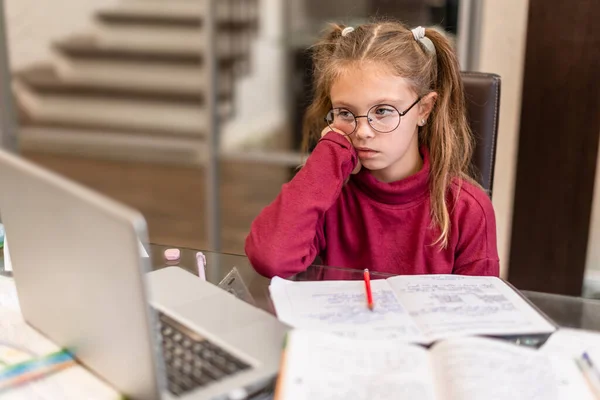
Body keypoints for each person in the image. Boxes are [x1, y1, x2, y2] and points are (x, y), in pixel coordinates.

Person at [245, 21, 499, 278]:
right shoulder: (327, 194)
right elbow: (270, 259)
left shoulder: (467, 209)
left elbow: (477, 313)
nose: (363, 131)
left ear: (424, 109)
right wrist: (329, 155)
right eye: (345, 112)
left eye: (382, 111)